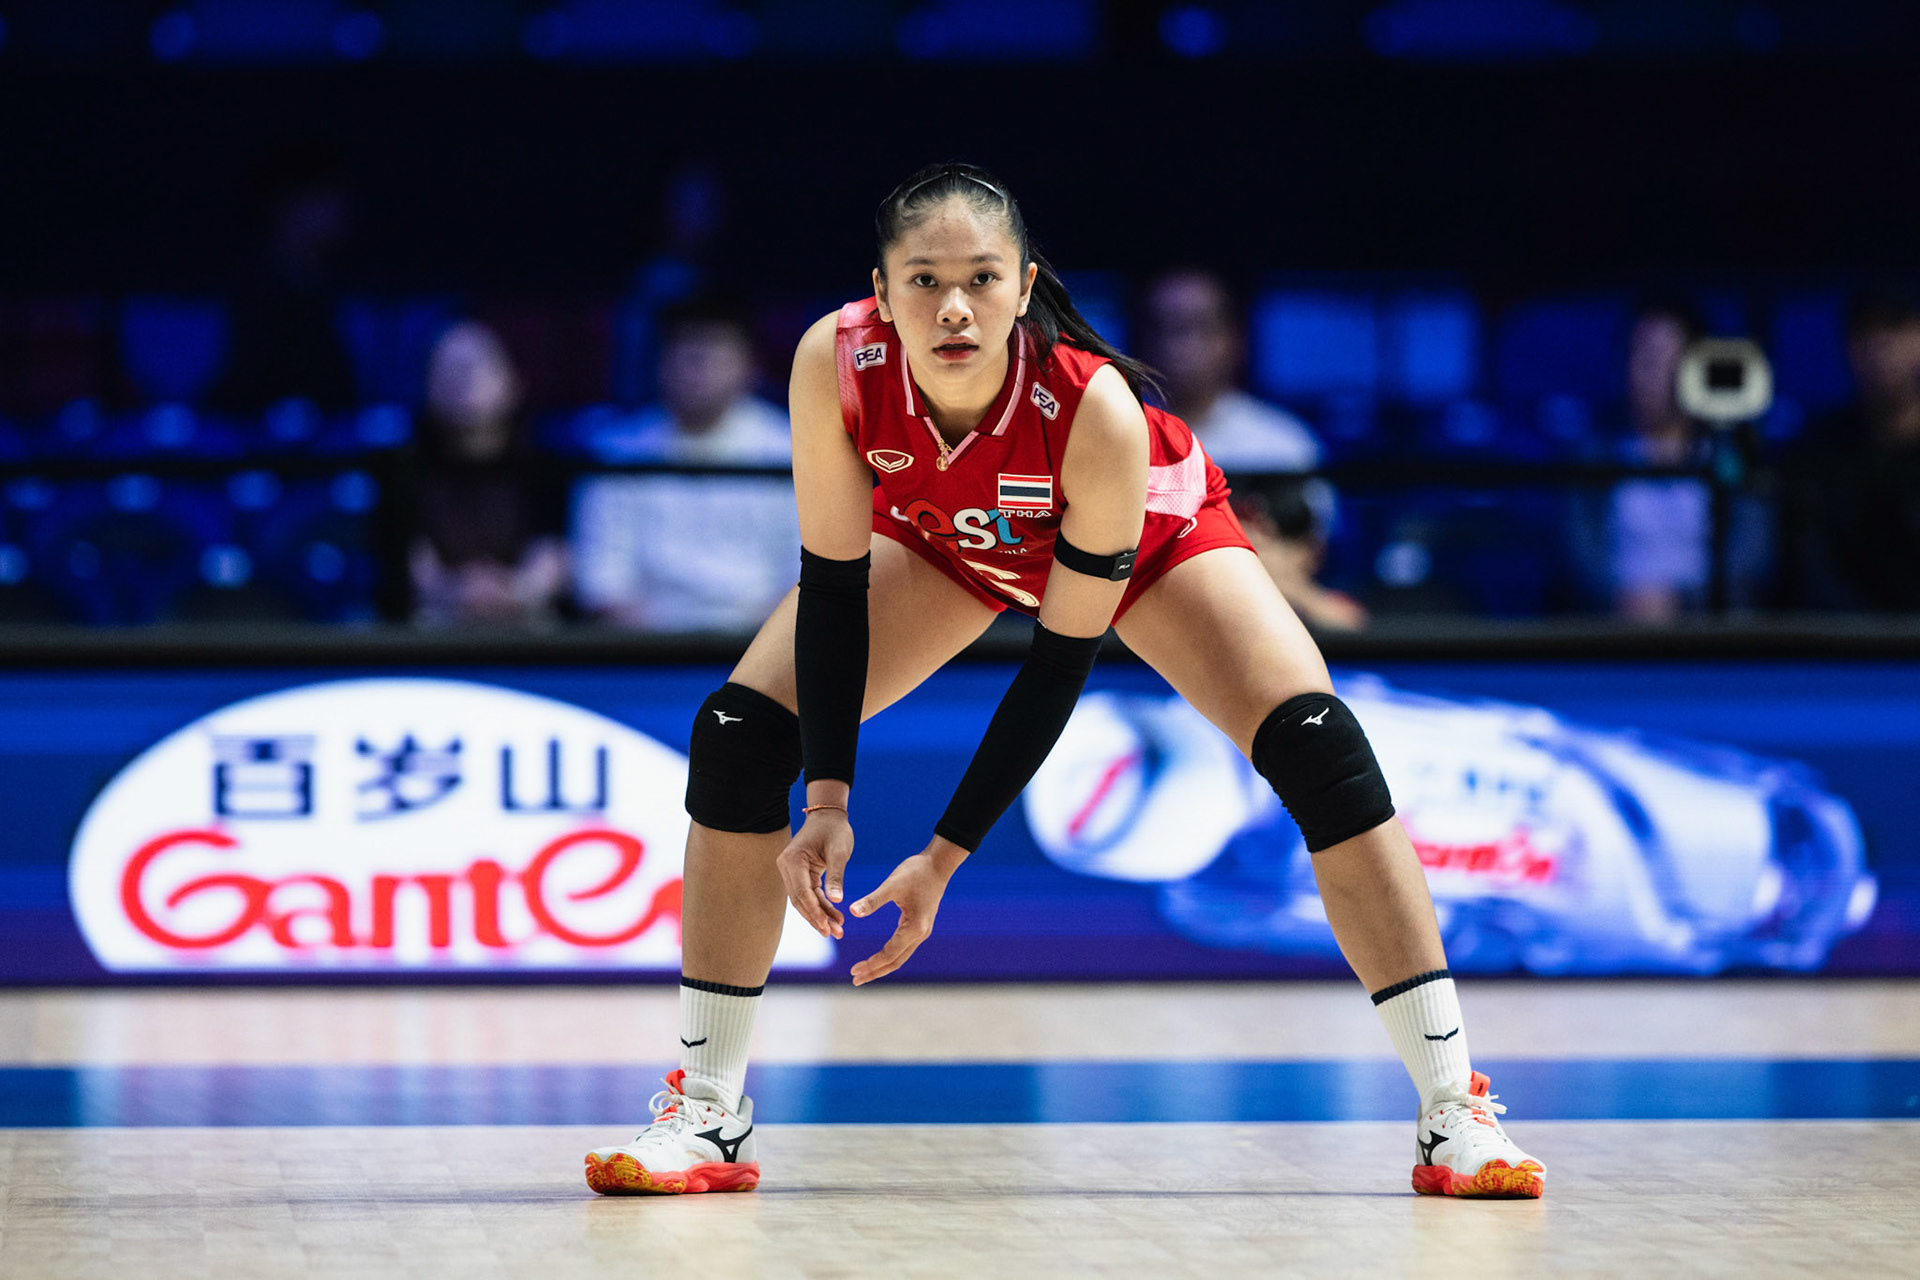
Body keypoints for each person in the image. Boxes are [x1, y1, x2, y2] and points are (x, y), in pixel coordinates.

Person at [582, 164, 1543, 1200]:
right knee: (736, 729)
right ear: (882, 286)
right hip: (950, 538)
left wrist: (941, 860)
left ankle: (1455, 1111)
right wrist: (825, 798)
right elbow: (831, 590)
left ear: (1024, 283)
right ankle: (710, 1110)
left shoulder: (1097, 411)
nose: (953, 306)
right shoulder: (837, 359)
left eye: (982, 279)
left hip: (1153, 544)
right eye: (924, 281)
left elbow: (1058, 661)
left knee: (1319, 744)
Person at [1143, 270, 1362, 628]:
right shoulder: (1112, 429)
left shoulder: (1284, 443)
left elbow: (1312, 552)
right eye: (1166, 328)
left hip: (1264, 622)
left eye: (1198, 326)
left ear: (1231, 339)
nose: (1180, 344)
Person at [571, 299, 799, 633]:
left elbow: (809, 581)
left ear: (749, 367)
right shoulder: (617, 452)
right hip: (642, 650)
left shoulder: (792, 450)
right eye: (685, 350)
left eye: (714, 350)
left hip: (762, 646)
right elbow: (601, 583)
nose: (698, 364)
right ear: (659, 363)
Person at [408, 320, 569, 626]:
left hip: (526, 616)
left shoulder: (545, 463)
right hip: (436, 617)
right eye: (449, 368)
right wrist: (456, 592)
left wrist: (515, 591)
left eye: (475, 366)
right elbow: (412, 562)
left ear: (513, 381)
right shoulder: (406, 468)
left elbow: (553, 557)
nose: (462, 378)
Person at [1779, 290, 1920, 610]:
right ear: (1849, 347)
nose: (1880, 348)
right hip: (1846, 645)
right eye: (1866, 334)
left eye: (1895, 329)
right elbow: (1810, 569)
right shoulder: (1817, 452)